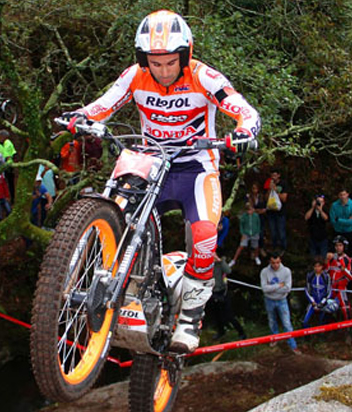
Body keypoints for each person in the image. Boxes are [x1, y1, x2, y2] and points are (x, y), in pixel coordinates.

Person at [61, 10, 260, 354]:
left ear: (185, 56)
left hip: (196, 166)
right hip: (151, 162)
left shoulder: (204, 76)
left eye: (170, 63)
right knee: (117, 213)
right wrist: (81, 116)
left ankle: (191, 318)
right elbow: (104, 104)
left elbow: (243, 108)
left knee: (204, 233)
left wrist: (244, 130)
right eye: (155, 63)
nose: (164, 70)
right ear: (144, 60)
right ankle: (104, 282)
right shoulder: (135, 76)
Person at [260, 253, 300, 354]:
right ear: (270, 262)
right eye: (273, 263)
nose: (276, 265)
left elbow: (287, 288)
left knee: (287, 323)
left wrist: (271, 288)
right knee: (272, 321)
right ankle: (274, 338)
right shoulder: (264, 272)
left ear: (280, 261)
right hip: (269, 300)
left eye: (277, 262)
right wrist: (279, 285)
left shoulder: (286, 271)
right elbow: (264, 288)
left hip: (282, 300)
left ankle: (292, 345)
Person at [208, 253, 246, 341]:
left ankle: (241, 332)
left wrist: (219, 260)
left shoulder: (221, 263)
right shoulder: (207, 265)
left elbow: (228, 271)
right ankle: (221, 332)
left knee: (229, 315)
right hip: (212, 292)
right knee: (216, 315)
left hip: (223, 292)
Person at [327, 236, 352, 320]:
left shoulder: (348, 259)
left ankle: (348, 324)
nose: (338, 248)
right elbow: (325, 271)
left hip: (341, 287)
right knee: (328, 307)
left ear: (344, 247)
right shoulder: (331, 258)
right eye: (336, 245)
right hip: (331, 287)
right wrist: (326, 260)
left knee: (345, 307)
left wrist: (343, 269)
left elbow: (351, 276)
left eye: (340, 245)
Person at [303, 259, 333, 327]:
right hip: (313, 302)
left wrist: (322, 302)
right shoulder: (310, 276)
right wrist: (312, 301)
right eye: (315, 266)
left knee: (322, 322)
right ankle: (307, 332)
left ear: (322, 266)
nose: (317, 268)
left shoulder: (326, 276)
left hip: (323, 302)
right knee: (305, 321)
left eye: (319, 266)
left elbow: (329, 291)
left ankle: (322, 333)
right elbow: (307, 290)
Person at [231, 202, 262, 266]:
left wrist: (257, 231)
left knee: (256, 246)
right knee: (241, 246)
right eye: (248, 210)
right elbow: (241, 225)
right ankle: (234, 260)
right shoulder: (244, 216)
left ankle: (256, 257)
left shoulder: (256, 216)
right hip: (246, 233)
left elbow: (258, 224)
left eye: (250, 209)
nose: (249, 211)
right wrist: (242, 233)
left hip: (254, 233)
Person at [264, 172, 288, 251]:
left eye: (274, 175)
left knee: (281, 232)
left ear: (278, 175)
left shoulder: (283, 184)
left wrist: (276, 190)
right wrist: (269, 189)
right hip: (271, 212)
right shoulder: (268, 183)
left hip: (280, 212)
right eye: (272, 175)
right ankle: (274, 249)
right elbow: (266, 198)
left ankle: (283, 249)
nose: (273, 177)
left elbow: (284, 198)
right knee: (273, 233)